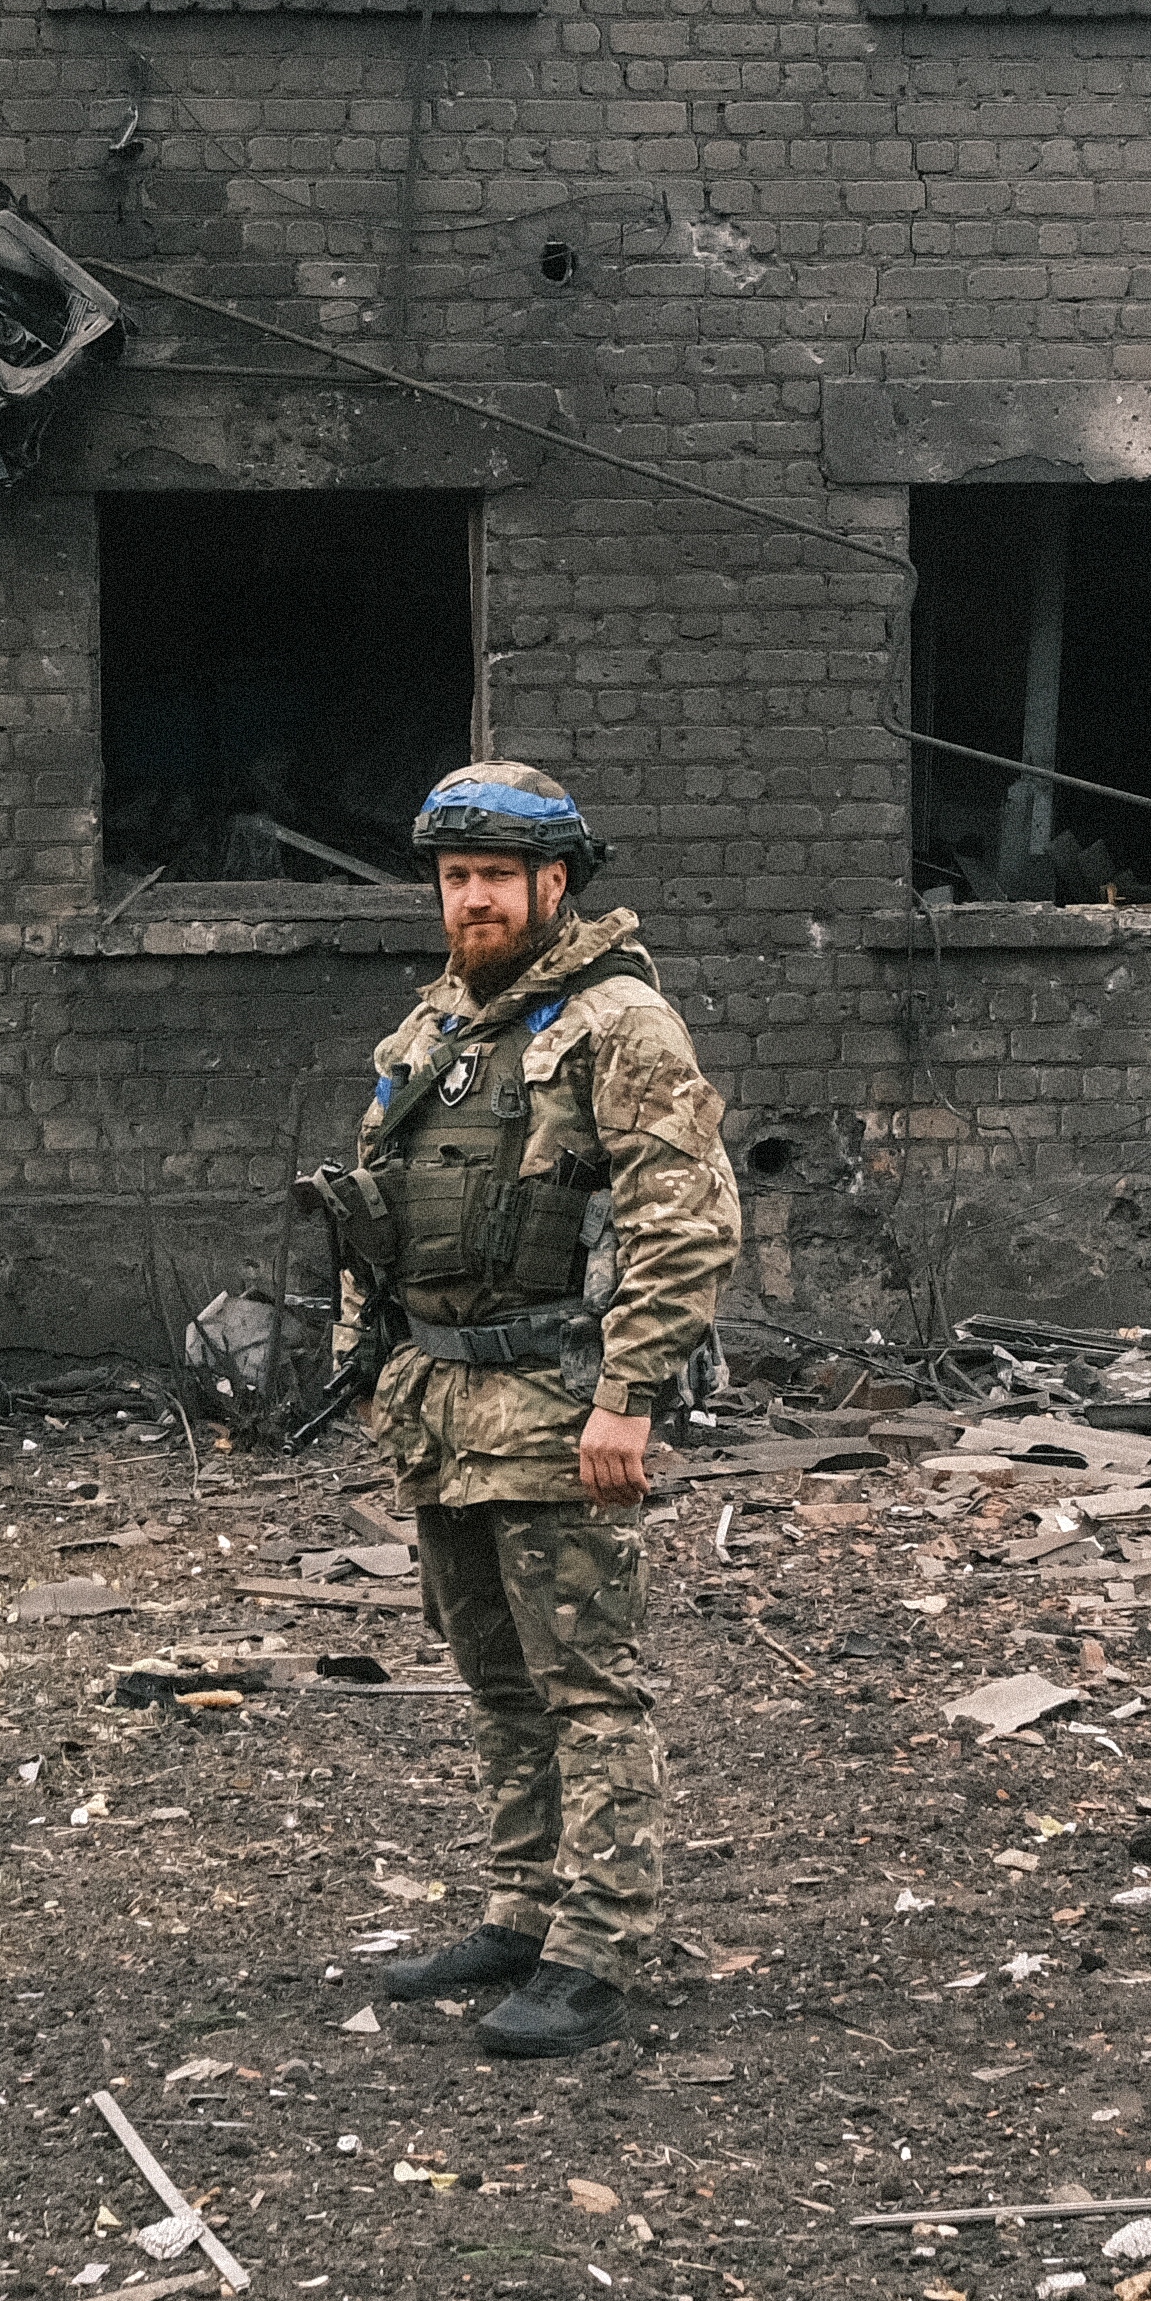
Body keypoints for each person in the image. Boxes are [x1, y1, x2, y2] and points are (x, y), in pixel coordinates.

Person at [320, 761, 740, 2061]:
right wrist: (367, 1363)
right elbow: (373, 1220)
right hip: (443, 1408)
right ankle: (522, 1908)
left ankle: (598, 1947)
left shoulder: (621, 1025)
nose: (473, 901)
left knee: (588, 1688)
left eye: (497, 879)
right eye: (455, 880)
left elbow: (687, 1223)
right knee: (496, 1680)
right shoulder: (432, 1034)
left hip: (558, 1404)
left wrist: (630, 1401)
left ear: (554, 885)